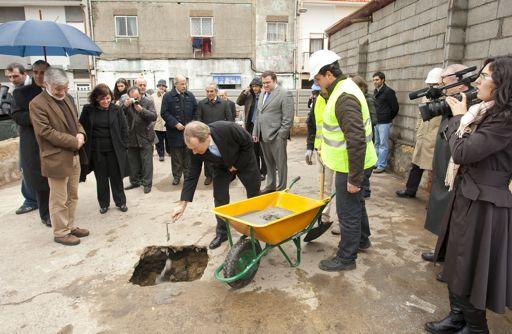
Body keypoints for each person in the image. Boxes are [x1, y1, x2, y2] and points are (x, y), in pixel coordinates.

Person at [425, 56, 512, 334]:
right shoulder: (484, 110)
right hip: (466, 194)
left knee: (471, 264)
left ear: (501, 84)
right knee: (455, 259)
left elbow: (463, 151)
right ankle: (457, 316)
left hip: (486, 203)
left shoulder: (505, 120)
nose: (477, 82)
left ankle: (476, 327)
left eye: (484, 76)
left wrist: (459, 118)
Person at [308, 49, 377, 271]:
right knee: (357, 205)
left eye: (318, 79)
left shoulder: (344, 97)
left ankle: (346, 257)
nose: (318, 84)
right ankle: (362, 240)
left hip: (351, 166)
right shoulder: (340, 90)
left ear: (329, 73)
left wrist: (354, 179)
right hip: (352, 163)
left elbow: (356, 140)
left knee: (347, 212)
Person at [172, 121, 261, 249]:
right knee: (219, 198)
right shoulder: (195, 148)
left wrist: (236, 166)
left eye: (196, 148)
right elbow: (192, 175)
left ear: (207, 137)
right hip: (221, 167)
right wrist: (182, 204)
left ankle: (255, 229)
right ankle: (222, 232)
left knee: (254, 194)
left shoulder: (228, 129)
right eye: (192, 149)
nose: (194, 152)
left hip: (243, 161)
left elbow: (248, 143)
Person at [29, 68, 89, 246]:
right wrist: (73, 141)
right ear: (46, 84)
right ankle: (61, 232)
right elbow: (45, 131)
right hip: (56, 158)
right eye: (58, 89)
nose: (62, 92)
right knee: (59, 199)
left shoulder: (68, 98)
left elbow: (76, 121)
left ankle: (70, 226)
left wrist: (81, 134)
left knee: (73, 195)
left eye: (65, 87)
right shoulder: (37, 104)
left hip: (75, 154)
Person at [422, 64, 469, 268]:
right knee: (440, 208)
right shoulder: (450, 101)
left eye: (445, 82)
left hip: (456, 165)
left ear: (459, 83)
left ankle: (451, 262)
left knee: (454, 214)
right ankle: (441, 251)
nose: (441, 85)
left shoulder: (469, 103)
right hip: (442, 162)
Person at [11, 60, 51, 227]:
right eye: (36, 72)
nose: (39, 76)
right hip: (34, 143)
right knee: (41, 180)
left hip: (54, 142)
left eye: (43, 72)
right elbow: (17, 116)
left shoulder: (55, 91)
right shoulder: (22, 93)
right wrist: (37, 116)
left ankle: (59, 209)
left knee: (56, 179)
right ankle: (45, 214)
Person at [79, 84, 129, 214]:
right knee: (101, 179)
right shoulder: (88, 109)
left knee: (116, 178)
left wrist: (124, 145)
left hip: (114, 150)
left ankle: (121, 202)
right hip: (97, 151)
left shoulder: (116, 109)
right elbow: (81, 127)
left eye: (107, 98)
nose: (105, 101)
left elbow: (124, 128)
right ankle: (104, 204)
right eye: (102, 99)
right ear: (95, 98)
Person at [396, 68, 443, 199]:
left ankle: (433, 200)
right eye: (430, 84)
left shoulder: (446, 98)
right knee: (416, 165)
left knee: (434, 172)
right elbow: (420, 114)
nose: (432, 87)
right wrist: (418, 130)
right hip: (423, 137)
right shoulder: (427, 96)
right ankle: (410, 190)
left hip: (434, 139)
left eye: (435, 84)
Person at [4, 63, 39, 215]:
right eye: (10, 77)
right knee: (26, 167)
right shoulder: (14, 92)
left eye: (15, 76)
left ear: (24, 74)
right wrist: (38, 116)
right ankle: (31, 200)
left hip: (43, 134)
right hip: (28, 134)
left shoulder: (37, 88)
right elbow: (17, 116)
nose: (12, 79)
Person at [252, 71, 294, 193]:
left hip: (277, 136)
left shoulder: (284, 94)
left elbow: (288, 118)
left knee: (280, 164)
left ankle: (281, 189)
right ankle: (270, 186)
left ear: (274, 80)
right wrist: (255, 132)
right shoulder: (263, 93)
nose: (265, 85)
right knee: (268, 163)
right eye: (263, 83)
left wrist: (281, 135)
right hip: (263, 134)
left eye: (268, 82)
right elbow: (259, 114)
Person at [305, 83, 338, 234]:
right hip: (321, 150)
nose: (317, 93)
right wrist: (310, 147)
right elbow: (312, 124)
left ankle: (344, 222)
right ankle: (324, 217)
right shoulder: (318, 101)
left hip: (338, 151)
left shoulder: (339, 99)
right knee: (324, 186)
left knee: (341, 189)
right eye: (316, 91)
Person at [161, 75, 198, 185]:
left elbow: (196, 110)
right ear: (175, 84)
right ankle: (177, 176)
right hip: (174, 131)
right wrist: (175, 123)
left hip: (188, 131)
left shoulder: (190, 95)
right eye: (182, 84)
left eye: (185, 83)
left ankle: (187, 175)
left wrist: (192, 124)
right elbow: (164, 112)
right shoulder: (168, 96)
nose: (184, 86)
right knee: (176, 155)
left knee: (188, 154)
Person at [122, 86, 157, 194]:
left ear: (140, 94)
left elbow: (154, 116)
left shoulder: (148, 101)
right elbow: (118, 115)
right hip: (131, 137)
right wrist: (124, 106)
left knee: (147, 162)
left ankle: (147, 184)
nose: (135, 99)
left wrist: (142, 110)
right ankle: (134, 182)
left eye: (137, 97)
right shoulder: (126, 103)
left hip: (145, 136)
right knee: (133, 162)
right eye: (133, 97)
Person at [198, 83, 233, 185]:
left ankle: (223, 174)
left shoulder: (224, 103)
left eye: (211, 91)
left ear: (216, 92)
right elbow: (198, 118)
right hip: (206, 135)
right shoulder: (201, 104)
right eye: (207, 91)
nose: (209, 93)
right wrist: (203, 132)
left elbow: (230, 120)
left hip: (221, 135)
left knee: (221, 155)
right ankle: (209, 176)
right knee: (208, 156)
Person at [237, 77, 267, 181]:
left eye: (257, 86)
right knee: (253, 151)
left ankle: (264, 172)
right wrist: (244, 92)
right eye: (253, 86)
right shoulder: (249, 96)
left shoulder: (265, 95)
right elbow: (239, 102)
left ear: (260, 86)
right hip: (250, 126)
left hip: (262, 126)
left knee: (262, 151)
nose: (254, 88)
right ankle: (256, 171)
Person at [372, 71, 399, 173]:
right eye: (374, 80)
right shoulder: (375, 91)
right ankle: (376, 162)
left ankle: (382, 166)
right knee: (377, 143)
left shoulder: (388, 92)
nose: (375, 82)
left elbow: (395, 108)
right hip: (376, 122)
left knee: (383, 144)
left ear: (382, 80)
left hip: (384, 122)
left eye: (377, 80)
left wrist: (388, 118)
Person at [153, 79, 170, 162]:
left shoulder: (169, 95)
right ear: (157, 87)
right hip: (157, 122)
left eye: (163, 86)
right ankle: (161, 154)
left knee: (168, 139)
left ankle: (169, 152)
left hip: (167, 121)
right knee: (159, 140)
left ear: (166, 87)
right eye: (160, 86)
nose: (161, 87)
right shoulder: (153, 96)